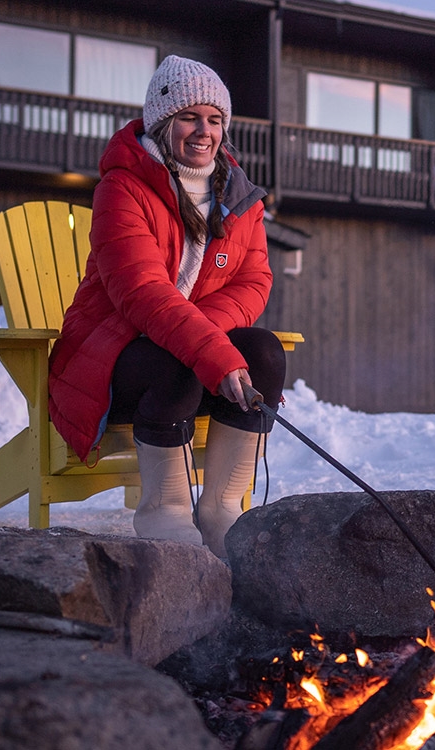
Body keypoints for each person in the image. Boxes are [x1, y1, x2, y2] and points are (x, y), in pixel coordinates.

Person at [48, 55, 284, 556]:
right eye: (189, 117)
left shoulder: (239, 197)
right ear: (162, 121)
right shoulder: (123, 188)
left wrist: (206, 339)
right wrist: (207, 350)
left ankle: (221, 510)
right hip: (114, 356)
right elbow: (142, 293)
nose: (204, 131)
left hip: (188, 348)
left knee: (264, 352)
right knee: (177, 358)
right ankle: (166, 513)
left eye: (215, 119)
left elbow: (255, 280)